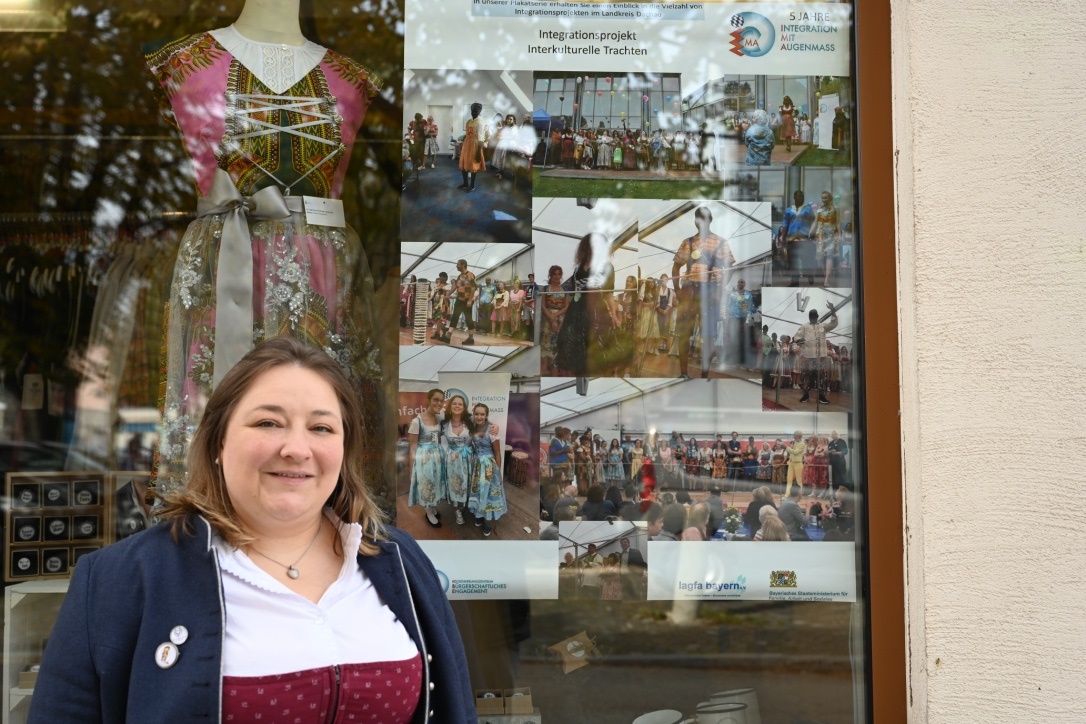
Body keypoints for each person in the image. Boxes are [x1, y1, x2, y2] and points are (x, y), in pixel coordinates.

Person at [30, 337, 475, 722]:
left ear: (344, 450)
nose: (296, 448)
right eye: (268, 422)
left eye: (321, 427)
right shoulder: (116, 582)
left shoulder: (399, 560)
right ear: (219, 441)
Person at [671, 206, 735, 379]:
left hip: (710, 291)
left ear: (710, 220)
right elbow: (676, 266)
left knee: (708, 336)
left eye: (705, 219)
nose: (702, 222)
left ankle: (704, 374)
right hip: (689, 289)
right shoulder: (688, 242)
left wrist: (719, 291)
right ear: (695, 222)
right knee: (684, 333)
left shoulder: (721, 242)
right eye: (699, 219)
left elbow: (730, 269)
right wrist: (677, 289)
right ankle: (683, 373)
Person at [556, 233, 622, 376]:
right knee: (572, 343)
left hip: (597, 308)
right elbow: (573, 293)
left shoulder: (606, 266)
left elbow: (609, 294)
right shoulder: (579, 267)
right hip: (576, 310)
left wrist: (614, 315)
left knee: (596, 343)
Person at [408, 388, 447, 527]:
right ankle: (428, 512)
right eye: (435, 399)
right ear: (428, 400)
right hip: (424, 459)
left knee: (435, 483)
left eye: (441, 400)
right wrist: (411, 468)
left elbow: (459, 420)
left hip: (437, 457)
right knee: (426, 485)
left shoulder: (440, 418)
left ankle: (431, 507)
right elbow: (412, 446)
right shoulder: (417, 421)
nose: (439, 403)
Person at [467, 403, 505, 535]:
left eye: (482, 414)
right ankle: (479, 515)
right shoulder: (472, 428)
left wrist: (498, 473)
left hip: (489, 467)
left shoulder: (492, 430)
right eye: (476, 414)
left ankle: (487, 521)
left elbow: (498, 453)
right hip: (477, 465)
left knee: (487, 493)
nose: (479, 416)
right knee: (478, 491)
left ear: (486, 415)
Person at [794, 305, 839, 405]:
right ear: (809, 317)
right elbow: (796, 336)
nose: (812, 318)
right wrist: (798, 340)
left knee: (821, 377)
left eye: (814, 316)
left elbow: (834, 323)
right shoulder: (804, 326)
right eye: (811, 316)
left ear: (817, 316)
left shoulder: (822, 326)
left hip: (821, 357)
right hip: (808, 357)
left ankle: (821, 396)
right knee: (806, 377)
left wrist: (832, 311)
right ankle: (806, 394)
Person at [442, 394, 473, 526]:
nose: (457, 406)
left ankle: (465, 504)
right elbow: (429, 429)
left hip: (467, 458)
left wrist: (495, 427)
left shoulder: (470, 422)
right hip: (452, 459)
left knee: (467, 482)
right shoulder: (443, 423)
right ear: (450, 406)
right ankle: (457, 510)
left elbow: (485, 425)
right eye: (454, 403)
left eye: (460, 404)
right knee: (455, 484)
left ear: (464, 407)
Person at [779, 190, 817, 285]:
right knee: (792, 260)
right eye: (798, 196)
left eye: (802, 196)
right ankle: (795, 281)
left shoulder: (808, 209)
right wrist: (782, 236)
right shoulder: (788, 210)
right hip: (791, 239)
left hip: (804, 238)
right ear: (794, 197)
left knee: (806, 258)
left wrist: (813, 234)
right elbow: (785, 224)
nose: (800, 198)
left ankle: (809, 274)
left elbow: (814, 223)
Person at [541, 265, 569, 374]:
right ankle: (543, 373)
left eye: (559, 274)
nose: (557, 276)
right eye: (554, 274)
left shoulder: (565, 289)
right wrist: (551, 318)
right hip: (548, 320)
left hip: (561, 320)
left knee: (557, 347)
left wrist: (556, 315)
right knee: (545, 347)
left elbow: (566, 306)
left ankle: (554, 373)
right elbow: (543, 306)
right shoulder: (545, 289)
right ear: (550, 275)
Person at [812, 190, 842, 286]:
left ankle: (826, 278)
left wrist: (839, 234)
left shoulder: (835, 209)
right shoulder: (819, 210)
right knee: (821, 257)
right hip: (821, 234)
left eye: (826, 198)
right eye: (822, 198)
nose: (824, 199)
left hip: (831, 234)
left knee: (829, 256)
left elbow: (837, 222)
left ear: (830, 199)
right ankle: (827, 277)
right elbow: (815, 222)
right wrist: (811, 232)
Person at [458, 101, 489, 192]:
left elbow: (480, 139)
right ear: (471, 110)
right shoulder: (468, 122)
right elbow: (467, 134)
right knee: (464, 163)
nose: (474, 111)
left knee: (473, 166)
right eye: (473, 110)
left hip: (475, 146)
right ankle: (465, 183)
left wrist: (479, 153)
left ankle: (472, 185)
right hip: (467, 145)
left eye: (477, 110)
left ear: (480, 111)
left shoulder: (480, 123)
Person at [725, 278, 755, 369]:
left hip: (742, 319)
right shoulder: (732, 294)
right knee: (733, 340)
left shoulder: (748, 295)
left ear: (744, 284)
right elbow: (727, 306)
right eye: (739, 282)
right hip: (732, 319)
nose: (740, 283)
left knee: (741, 341)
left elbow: (750, 309)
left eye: (742, 282)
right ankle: (732, 360)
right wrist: (726, 319)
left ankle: (741, 361)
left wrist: (747, 322)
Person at [449, 259, 478, 345]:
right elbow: (455, 287)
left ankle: (471, 338)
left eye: (458, 264)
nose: (456, 266)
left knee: (468, 318)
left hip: (467, 301)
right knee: (455, 316)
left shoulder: (470, 275)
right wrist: (448, 295)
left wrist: (469, 300)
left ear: (463, 265)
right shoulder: (460, 276)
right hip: (459, 300)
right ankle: (448, 335)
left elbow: (473, 288)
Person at [785, 430, 807, 498]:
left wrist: (786, 447)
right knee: (789, 479)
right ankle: (787, 494)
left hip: (798, 463)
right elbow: (791, 452)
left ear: (800, 436)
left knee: (799, 480)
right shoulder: (794, 442)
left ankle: (799, 495)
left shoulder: (802, 444)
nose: (794, 437)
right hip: (791, 462)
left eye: (795, 435)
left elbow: (795, 452)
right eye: (794, 435)